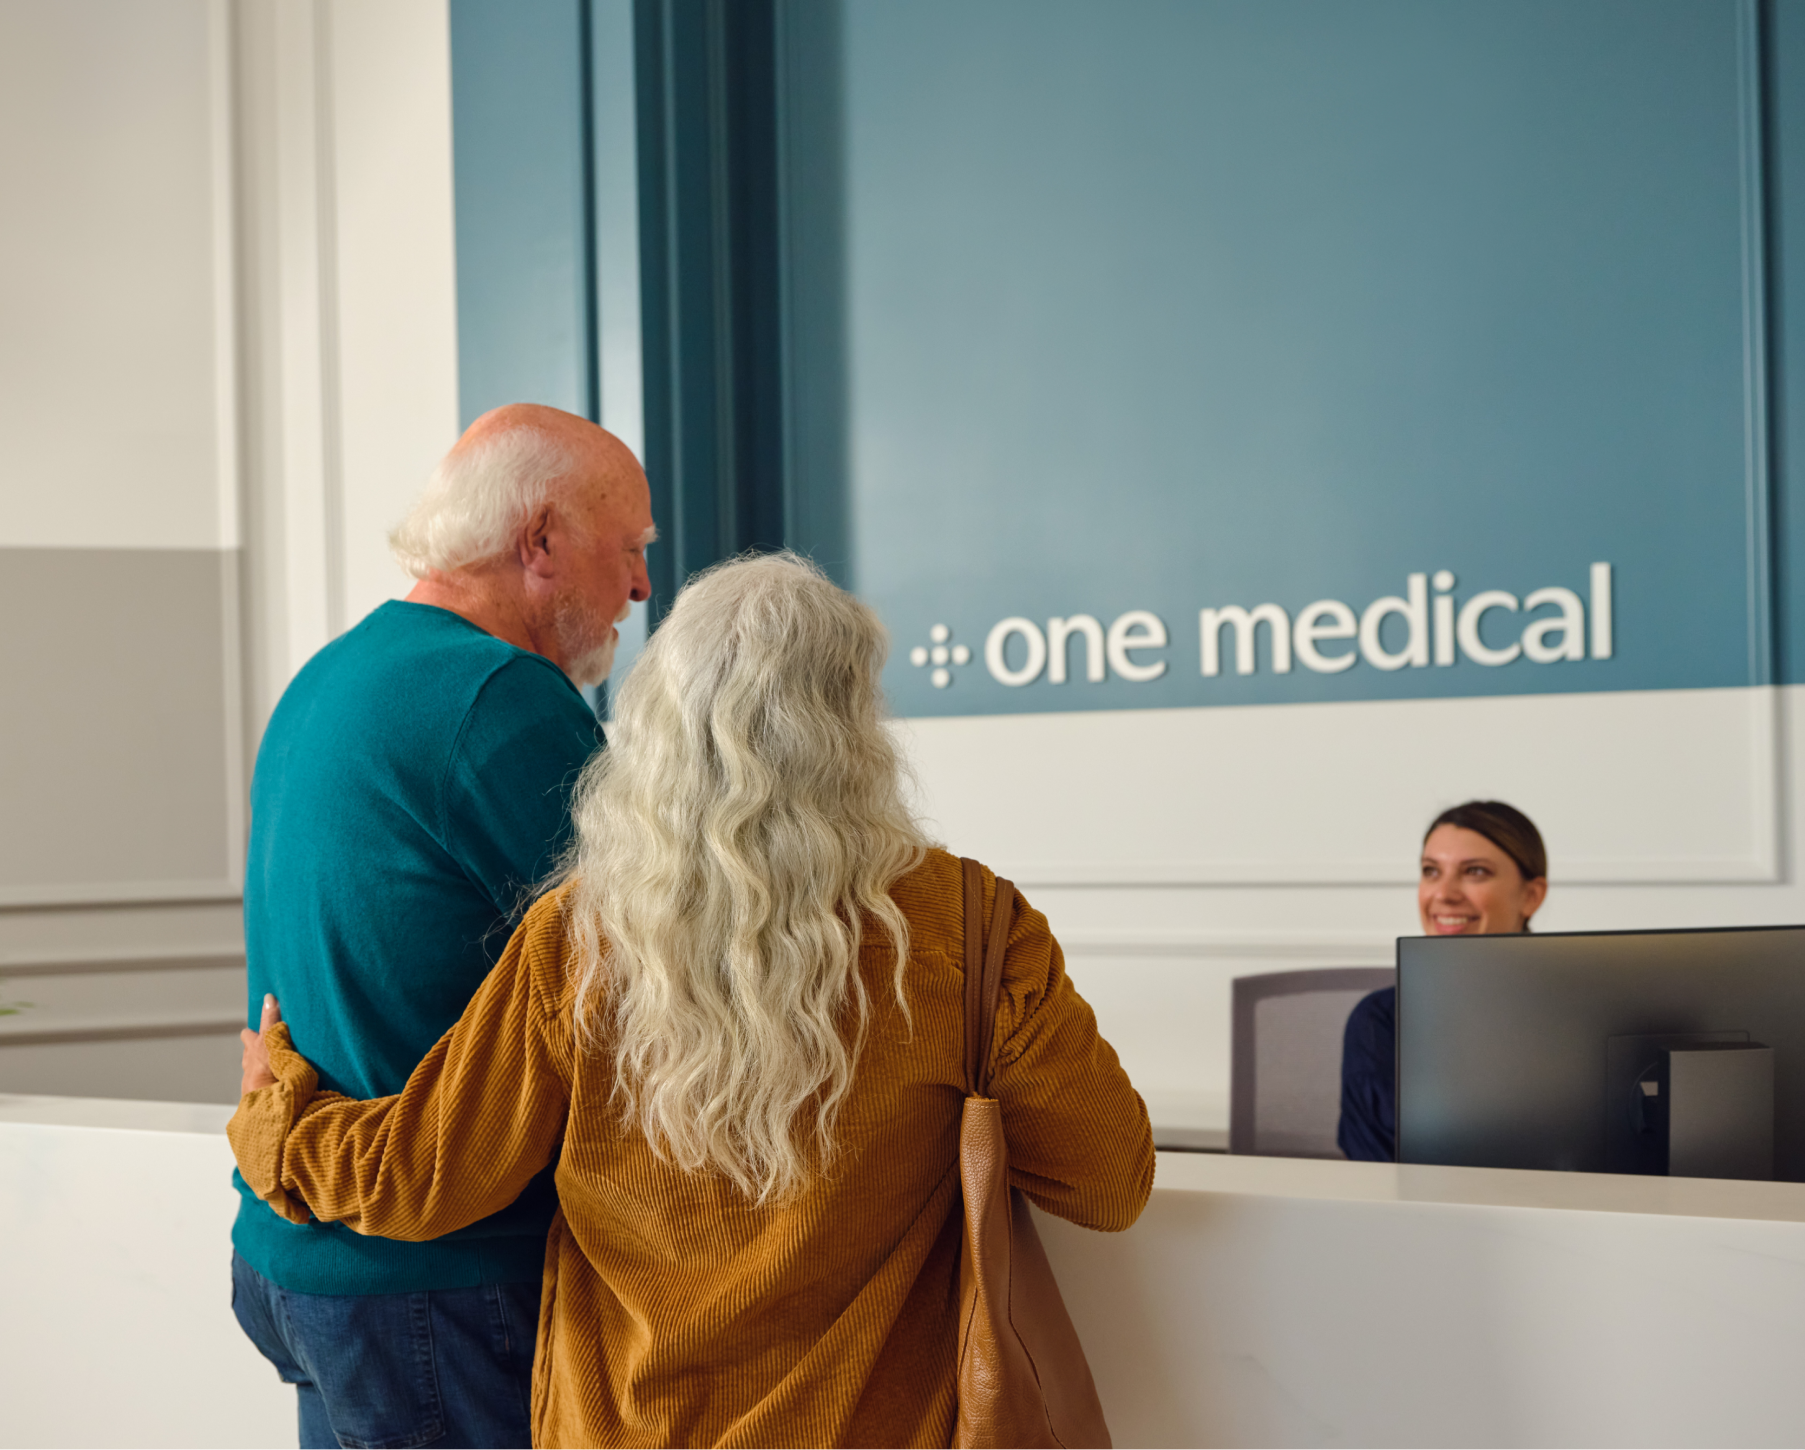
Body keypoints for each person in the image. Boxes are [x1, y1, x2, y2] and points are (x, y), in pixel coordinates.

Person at [230, 552, 1155, 1450]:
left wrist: (277, 1124)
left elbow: (425, 1177)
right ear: (854, 730)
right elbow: (1110, 1182)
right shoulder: (966, 925)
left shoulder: (579, 938)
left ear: (663, 719)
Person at [231, 404, 655, 1450]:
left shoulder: (329, 677)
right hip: (444, 1287)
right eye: (631, 548)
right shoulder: (500, 697)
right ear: (541, 540)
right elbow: (654, 976)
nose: (643, 589)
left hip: (303, 1256)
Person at [1337, 800, 1549, 1162]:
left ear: (1531, 896)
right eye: (1431, 871)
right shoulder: (1381, 1021)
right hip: (1420, 1218)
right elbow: (1376, 1179)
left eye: (1476, 871)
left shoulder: (1581, 1013)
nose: (1444, 894)